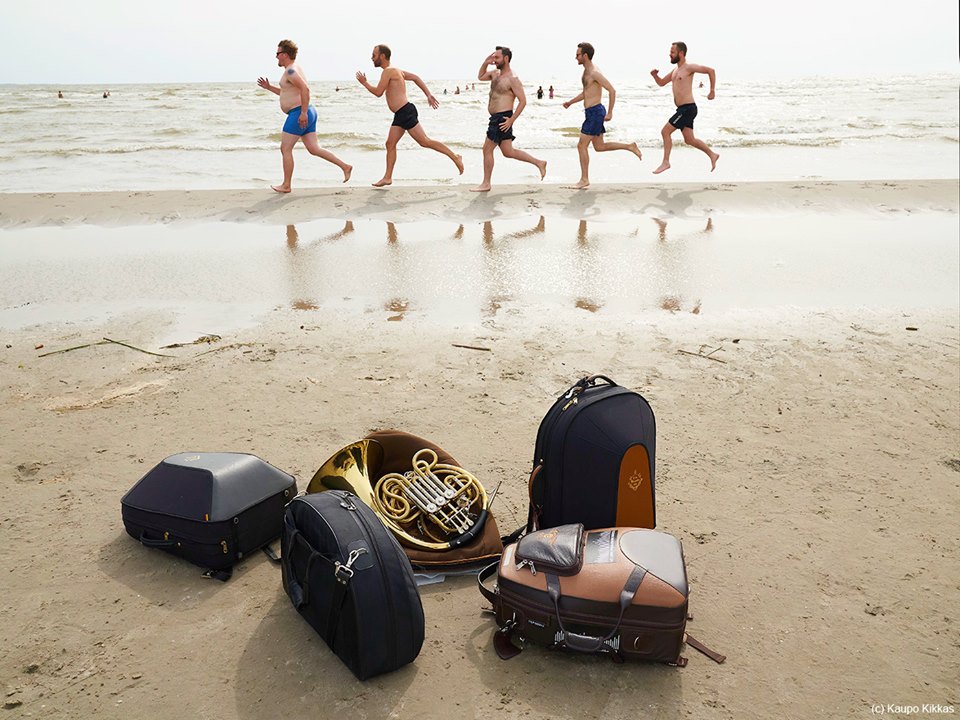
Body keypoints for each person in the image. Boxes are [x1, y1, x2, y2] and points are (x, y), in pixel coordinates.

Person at [356, 44, 463, 187]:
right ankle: (387, 177)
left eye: (374, 55)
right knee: (390, 144)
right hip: (401, 113)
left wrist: (364, 83)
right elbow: (416, 78)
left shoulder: (388, 71)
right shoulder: (396, 71)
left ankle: (455, 157)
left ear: (382, 56)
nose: (372, 58)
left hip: (405, 112)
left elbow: (378, 92)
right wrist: (428, 94)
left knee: (425, 141)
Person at [257, 39, 352, 192]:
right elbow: (287, 93)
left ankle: (286, 185)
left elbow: (305, 89)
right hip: (307, 111)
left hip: (299, 112)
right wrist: (269, 88)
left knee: (285, 148)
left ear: (285, 54)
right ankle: (345, 166)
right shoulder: (293, 69)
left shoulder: (290, 71)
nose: (276, 56)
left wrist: (302, 113)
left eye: (278, 53)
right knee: (314, 149)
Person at [562, 42, 642, 189]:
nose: (575, 57)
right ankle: (629, 146)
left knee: (581, 145)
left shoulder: (594, 72)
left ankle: (584, 179)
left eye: (578, 55)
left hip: (595, 113)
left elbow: (612, 90)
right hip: (591, 113)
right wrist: (571, 102)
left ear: (585, 55)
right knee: (599, 146)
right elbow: (586, 93)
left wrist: (610, 112)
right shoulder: (586, 72)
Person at [471, 46, 547, 192]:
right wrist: (486, 62)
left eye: (497, 57)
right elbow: (480, 77)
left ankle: (486, 183)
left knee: (487, 149)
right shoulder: (495, 74)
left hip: (502, 118)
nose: (494, 60)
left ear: (506, 58)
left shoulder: (513, 79)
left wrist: (511, 120)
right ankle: (539, 162)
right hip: (496, 117)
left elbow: (523, 101)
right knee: (508, 152)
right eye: (493, 57)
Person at [650, 42, 719, 174]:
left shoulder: (689, 67)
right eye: (670, 52)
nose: (670, 54)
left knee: (665, 132)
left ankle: (666, 162)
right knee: (689, 140)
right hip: (684, 109)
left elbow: (711, 71)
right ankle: (712, 154)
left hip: (687, 108)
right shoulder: (675, 71)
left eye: (672, 52)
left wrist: (712, 91)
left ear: (681, 53)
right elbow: (662, 83)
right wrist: (655, 76)